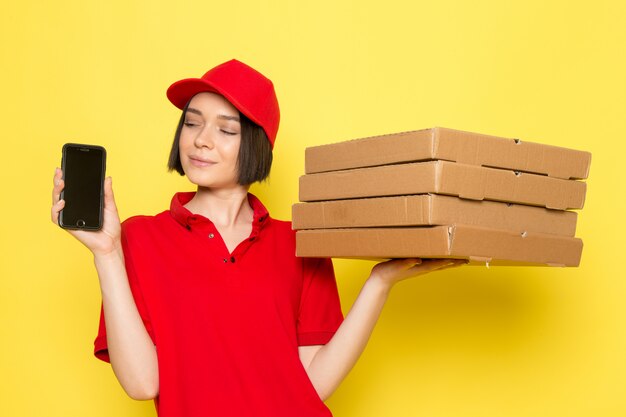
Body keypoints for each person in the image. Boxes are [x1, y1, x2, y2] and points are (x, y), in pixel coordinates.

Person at [50, 59, 465, 417]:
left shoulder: (300, 243)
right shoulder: (138, 238)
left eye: (225, 130)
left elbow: (311, 385)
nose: (201, 140)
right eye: (192, 123)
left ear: (256, 146)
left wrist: (379, 283)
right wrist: (106, 252)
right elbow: (143, 383)